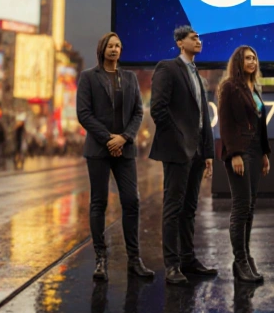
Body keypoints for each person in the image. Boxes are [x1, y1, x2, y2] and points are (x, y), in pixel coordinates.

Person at [78, 32, 153, 282]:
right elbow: (84, 114)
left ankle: (134, 259)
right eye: (110, 45)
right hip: (99, 150)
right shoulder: (88, 77)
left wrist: (124, 137)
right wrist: (109, 138)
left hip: (125, 149)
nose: (114, 49)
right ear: (102, 49)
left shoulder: (129, 78)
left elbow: (138, 113)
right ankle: (101, 259)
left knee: (131, 200)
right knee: (98, 203)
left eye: (118, 45)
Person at [149, 26, 216, 286]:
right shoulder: (168, 68)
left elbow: (203, 116)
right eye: (193, 38)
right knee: (173, 208)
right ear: (180, 42)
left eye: (199, 37)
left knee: (190, 208)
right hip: (178, 150)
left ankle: (188, 259)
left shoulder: (198, 75)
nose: (198, 41)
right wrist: (180, 141)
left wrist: (207, 152)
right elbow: (158, 110)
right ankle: (172, 265)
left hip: (198, 151)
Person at [216, 45, 272, 285]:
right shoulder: (229, 87)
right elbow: (226, 123)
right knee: (240, 208)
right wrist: (234, 154)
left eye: (254, 57)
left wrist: (265, 154)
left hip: (256, 151)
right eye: (248, 58)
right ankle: (240, 262)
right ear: (239, 62)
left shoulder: (255, 88)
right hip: (240, 152)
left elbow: (260, 125)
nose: (252, 61)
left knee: (249, 208)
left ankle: (246, 257)